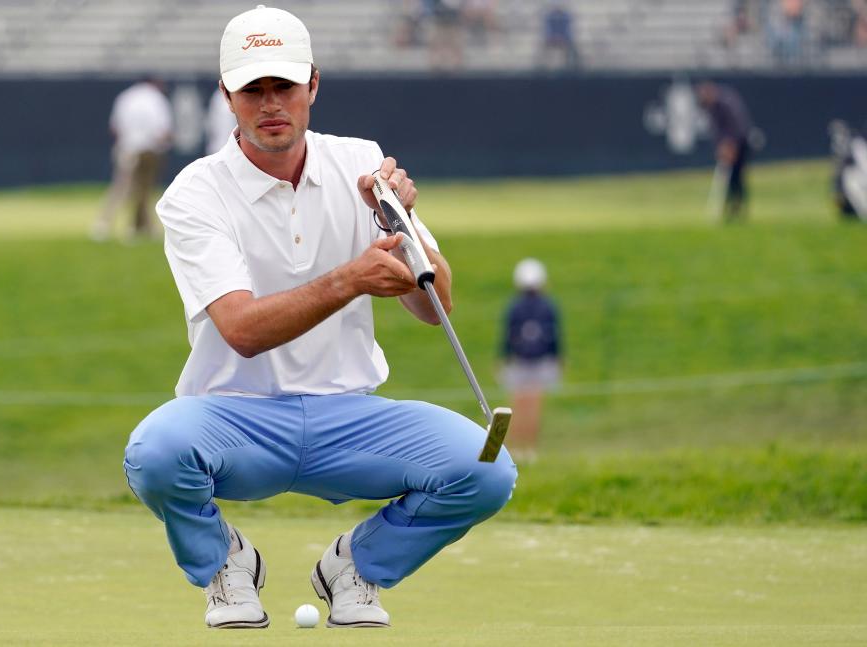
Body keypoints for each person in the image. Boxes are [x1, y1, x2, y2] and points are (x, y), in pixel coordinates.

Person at [123, 5, 516, 631]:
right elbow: (243, 331)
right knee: (155, 452)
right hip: (235, 417)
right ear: (228, 96)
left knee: (486, 471)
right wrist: (349, 279)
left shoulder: (360, 161)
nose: (270, 103)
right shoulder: (195, 192)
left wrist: (401, 224)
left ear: (313, 85)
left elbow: (433, 305)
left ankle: (356, 569)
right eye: (253, 88)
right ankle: (227, 563)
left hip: (348, 415)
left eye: (284, 85)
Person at [90, 78, 173, 242]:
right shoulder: (156, 98)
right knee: (144, 190)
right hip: (149, 149)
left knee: (122, 187)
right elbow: (163, 129)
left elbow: (115, 127)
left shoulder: (126, 97)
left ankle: (106, 225)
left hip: (128, 147)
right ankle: (135, 228)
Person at [498, 259, 562, 460]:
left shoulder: (515, 307)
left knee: (516, 406)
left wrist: (503, 358)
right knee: (534, 406)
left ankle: (514, 448)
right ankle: (529, 448)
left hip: (519, 360)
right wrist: (557, 358)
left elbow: (507, 336)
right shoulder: (548, 306)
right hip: (541, 361)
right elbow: (555, 337)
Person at [696, 81, 754, 222]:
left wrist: (731, 145)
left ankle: (739, 209)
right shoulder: (712, 108)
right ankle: (729, 209)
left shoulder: (726, 103)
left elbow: (738, 126)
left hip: (740, 144)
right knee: (728, 180)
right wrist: (721, 147)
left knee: (737, 178)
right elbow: (716, 131)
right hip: (726, 146)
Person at [205, 86, 238, 155]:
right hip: (218, 148)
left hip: (233, 150)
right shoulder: (218, 96)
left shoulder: (218, 95)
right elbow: (212, 126)